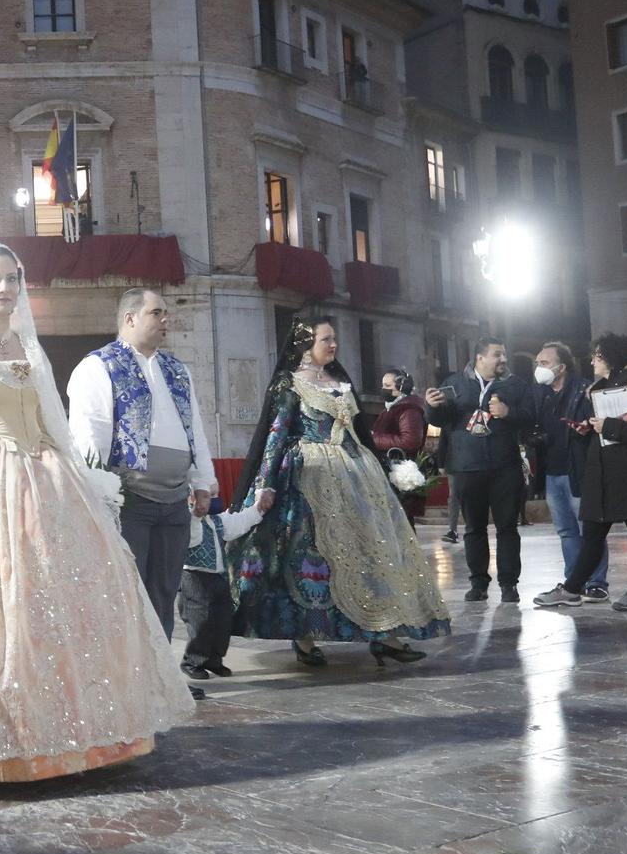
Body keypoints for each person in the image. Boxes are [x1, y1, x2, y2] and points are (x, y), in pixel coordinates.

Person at [0, 243, 194, 780]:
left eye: (14, 278)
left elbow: (52, 420)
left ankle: (79, 733)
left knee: (79, 589)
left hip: (46, 477)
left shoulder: (27, 346)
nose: (5, 288)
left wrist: (78, 478)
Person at [230, 318, 449, 667]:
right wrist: (265, 484)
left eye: (335, 338)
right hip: (308, 477)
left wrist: (385, 469)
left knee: (372, 552)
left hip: (357, 475)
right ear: (305, 344)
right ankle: (304, 638)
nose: (333, 345)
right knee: (308, 557)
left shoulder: (341, 383)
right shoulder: (291, 385)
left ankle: (386, 634)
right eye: (326, 339)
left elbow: (358, 432)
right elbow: (275, 436)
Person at [65, 287, 216, 655]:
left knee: (164, 592)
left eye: (165, 313)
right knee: (128, 591)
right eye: (156, 313)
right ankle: (131, 678)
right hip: (128, 499)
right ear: (130, 318)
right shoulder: (99, 365)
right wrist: (98, 494)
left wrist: (202, 482)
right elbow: (90, 432)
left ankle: (163, 677)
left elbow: (194, 427)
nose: (166, 319)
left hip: (176, 498)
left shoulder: (176, 370)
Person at [533, 335, 627, 613]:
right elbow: (607, 428)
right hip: (603, 471)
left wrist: (608, 426)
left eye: (597, 355)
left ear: (611, 356)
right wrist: (589, 427)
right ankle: (572, 589)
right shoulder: (601, 388)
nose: (592, 361)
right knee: (593, 531)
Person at [426, 339, 533, 603]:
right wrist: (431, 405)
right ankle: (478, 584)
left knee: (507, 527)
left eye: (504, 354)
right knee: (474, 528)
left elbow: (531, 417)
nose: (503, 360)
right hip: (466, 466)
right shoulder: (454, 383)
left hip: (504, 466)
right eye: (497, 355)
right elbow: (439, 420)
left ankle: (509, 584)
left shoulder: (515, 385)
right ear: (479, 358)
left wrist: (508, 412)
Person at [532, 342, 607, 604]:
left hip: (580, 468)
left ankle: (596, 583)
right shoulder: (540, 393)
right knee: (566, 531)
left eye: (544, 363)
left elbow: (598, 423)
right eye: (538, 363)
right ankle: (573, 583)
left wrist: (586, 427)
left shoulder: (584, 390)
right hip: (552, 471)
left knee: (589, 529)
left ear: (561, 367)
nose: (538, 368)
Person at [177, 496, 265, 686]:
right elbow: (190, 539)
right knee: (200, 621)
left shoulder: (218, 520)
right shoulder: (184, 518)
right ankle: (193, 661)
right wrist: (196, 515)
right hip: (194, 577)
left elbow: (238, 523)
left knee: (223, 619)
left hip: (218, 576)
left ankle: (214, 659)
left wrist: (258, 508)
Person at [370, 368, 430, 522]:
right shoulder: (392, 408)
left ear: (400, 387)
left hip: (401, 474)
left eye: (387, 385)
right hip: (390, 472)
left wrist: (374, 438)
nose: (383, 389)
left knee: (402, 523)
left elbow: (410, 441)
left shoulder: (408, 410)